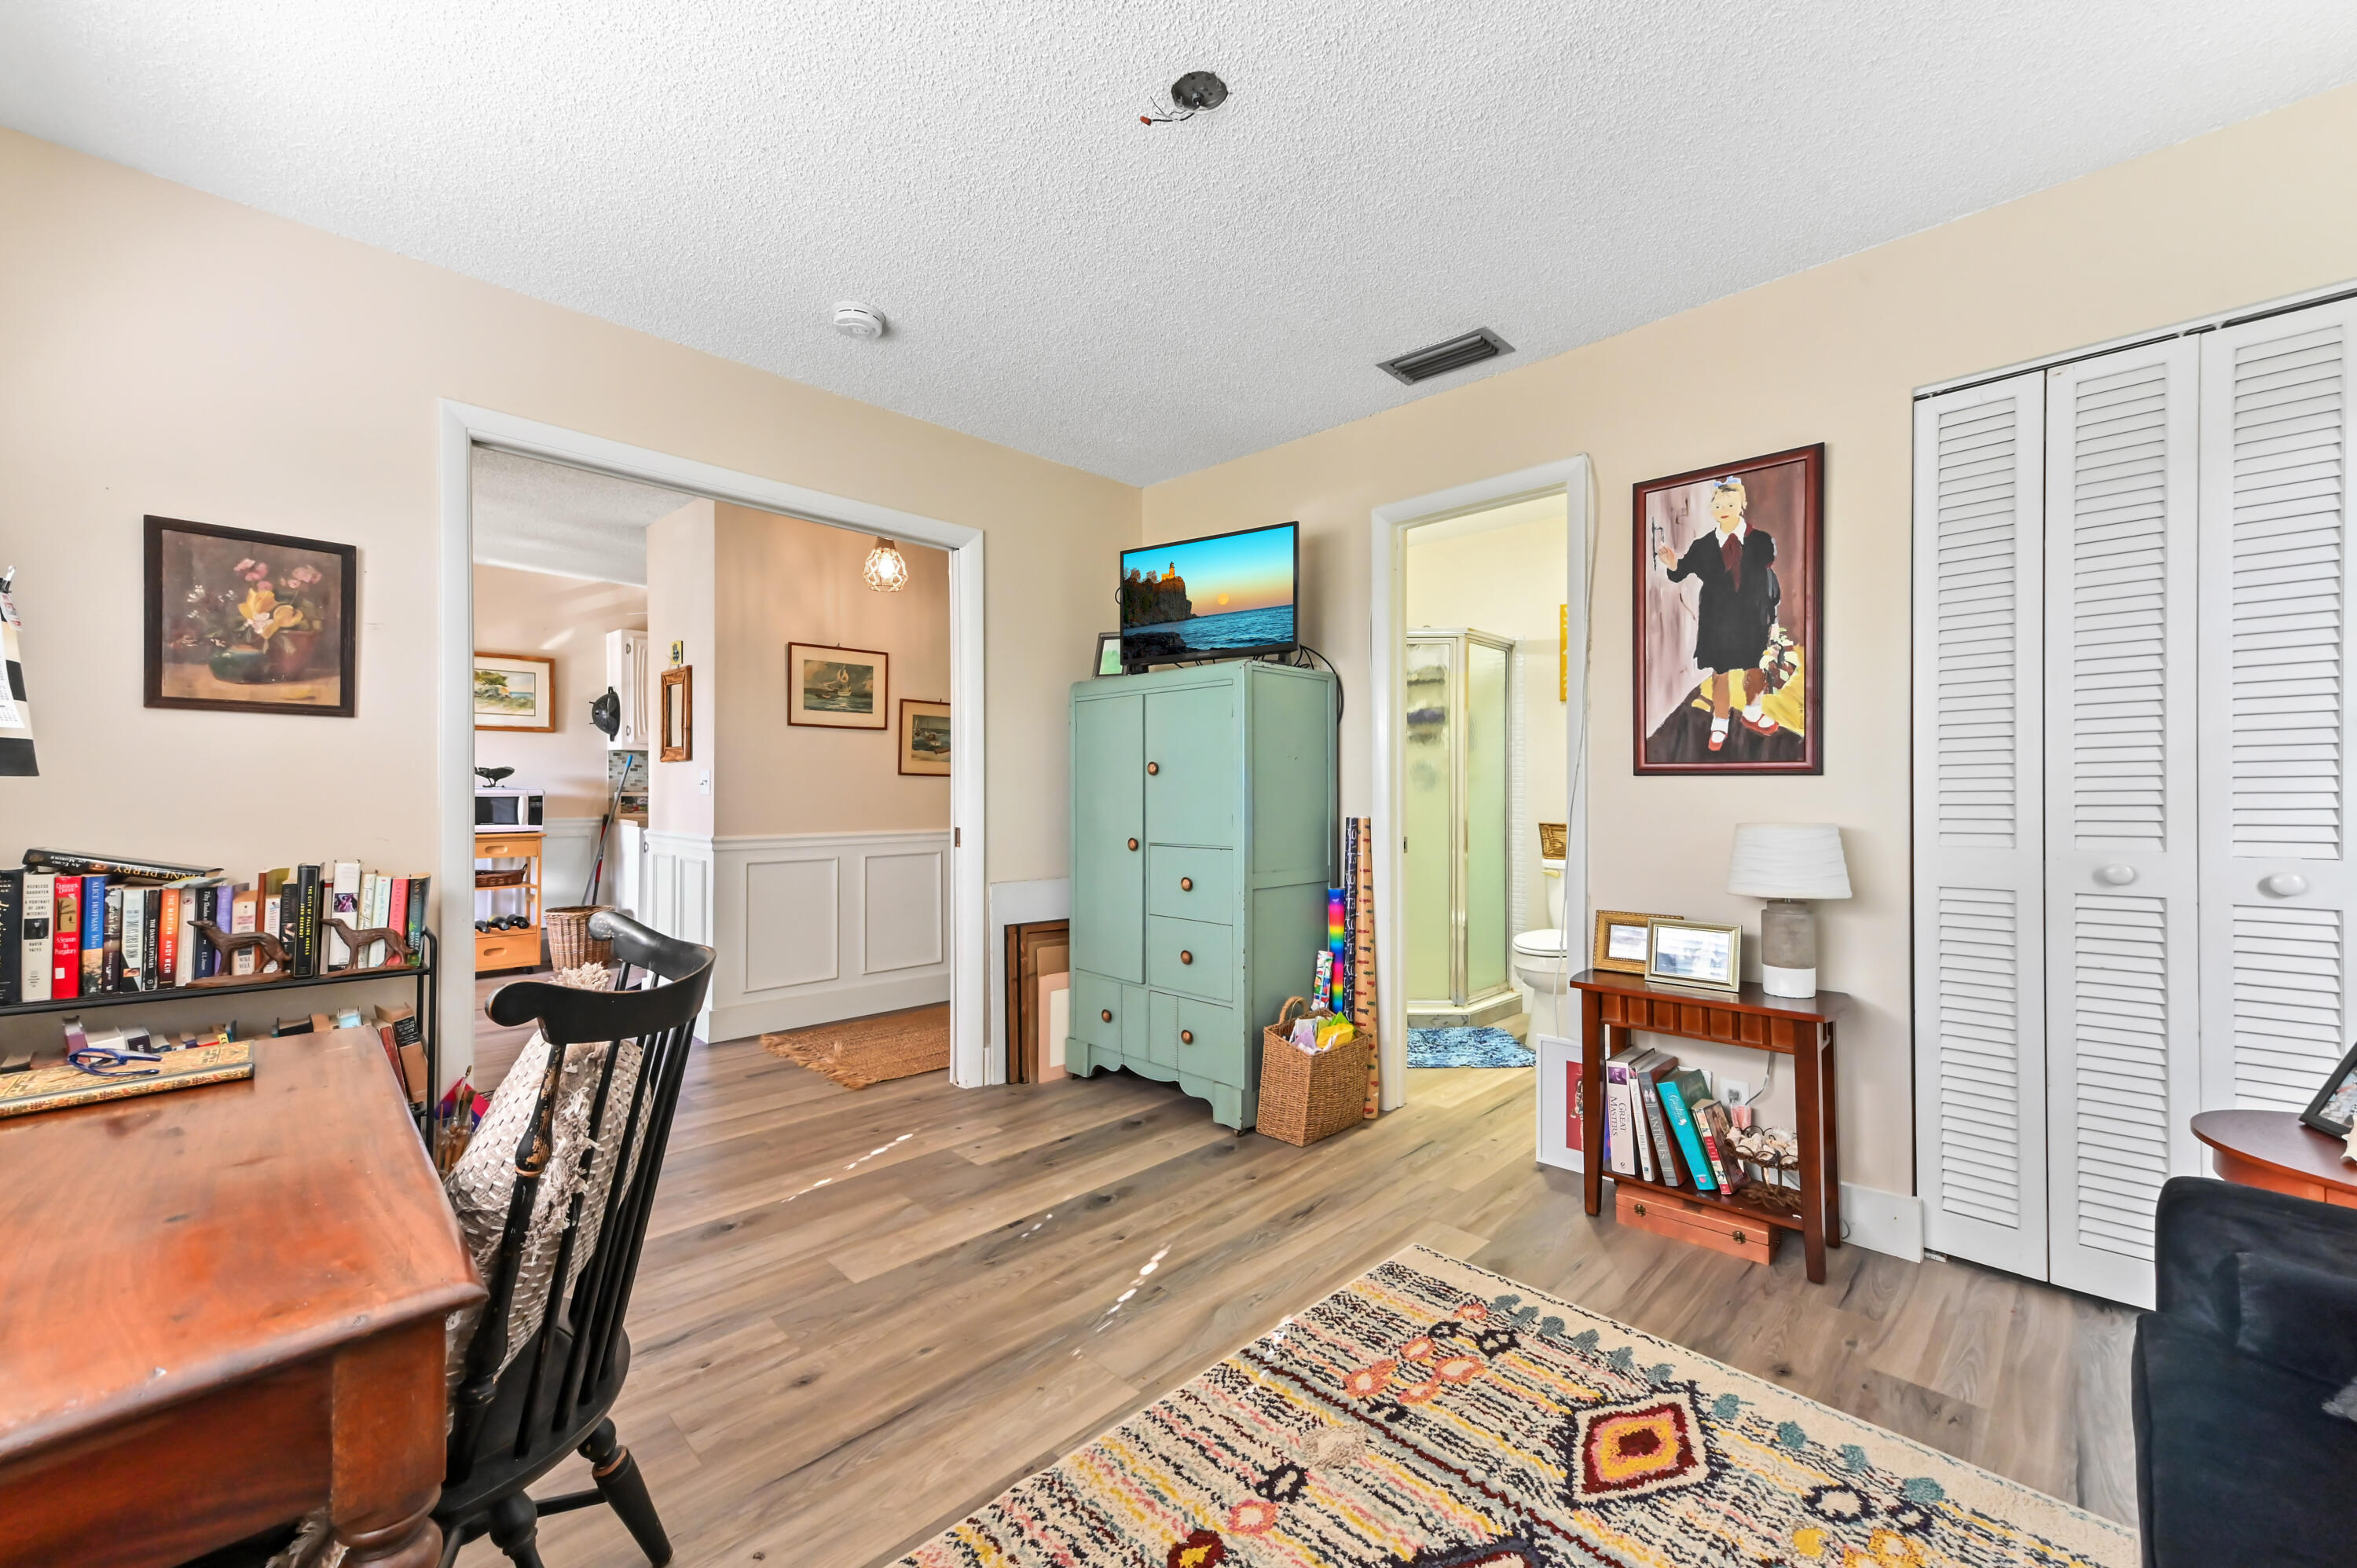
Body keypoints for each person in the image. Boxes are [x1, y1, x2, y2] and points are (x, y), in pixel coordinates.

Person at [1654, 476, 1780, 753]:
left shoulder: (1761, 541)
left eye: (1730, 503)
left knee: (1754, 667)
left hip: (1752, 616)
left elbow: (1768, 578)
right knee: (1719, 672)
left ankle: (1753, 711)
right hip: (1718, 619)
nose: (1723, 508)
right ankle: (1720, 723)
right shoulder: (1703, 546)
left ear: (1742, 505)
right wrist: (1673, 563)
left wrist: (1772, 617)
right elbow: (1680, 573)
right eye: (1717, 504)